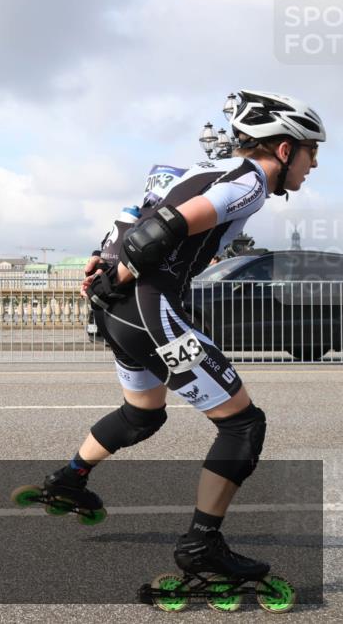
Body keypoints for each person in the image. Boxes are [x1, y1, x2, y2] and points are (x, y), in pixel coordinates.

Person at [53, 90, 325, 578]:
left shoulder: (199, 169)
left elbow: (133, 214)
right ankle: (202, 546)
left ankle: (70, 479)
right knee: (243, 424)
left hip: (118, 314)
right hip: (149, 312)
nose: (314, 164)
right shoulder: (250, 182)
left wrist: (104, 263)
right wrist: (122, 273)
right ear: (284, 150)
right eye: (311, 152)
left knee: (141, 414)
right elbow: (165, 227)